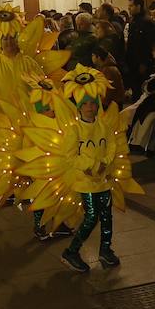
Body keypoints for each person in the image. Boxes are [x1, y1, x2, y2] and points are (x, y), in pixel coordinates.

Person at [59, 88, 121, 273]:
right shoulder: (74, 130)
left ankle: (105, 249)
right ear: (79, 107)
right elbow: (70, 156)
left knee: (107, 216)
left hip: (103, 181)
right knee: (92, 216)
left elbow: (111, 146)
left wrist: (105, 163)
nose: (89, 107)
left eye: (93, 103)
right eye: (85, 104)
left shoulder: (104, 127)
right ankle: (71, 251)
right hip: (85, 182)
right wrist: (90, 165)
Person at [124, 0, 155, 92]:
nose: (129, 9)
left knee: (143, 89)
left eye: (131, 6)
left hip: (142, 62)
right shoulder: (133, 21)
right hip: (132, 61)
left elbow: (149, 44)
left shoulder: (147, 22)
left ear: (138, 6)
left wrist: (144, 62)